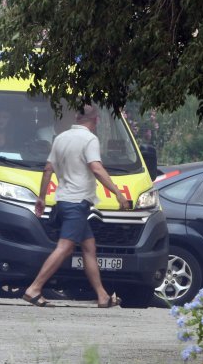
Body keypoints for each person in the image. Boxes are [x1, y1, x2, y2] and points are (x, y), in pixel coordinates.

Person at [22, 104, 129, 308]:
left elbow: (47, 169)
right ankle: (34, 288)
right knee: (65, 247)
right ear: (95, 121)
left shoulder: (60, 138)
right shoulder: (90, 139)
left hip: (63, 201)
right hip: (77, 203)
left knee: (89, 247)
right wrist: (118, 193)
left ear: (77, 118)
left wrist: (42, 197)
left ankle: (102, 296)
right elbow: (96, 168)